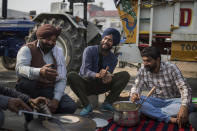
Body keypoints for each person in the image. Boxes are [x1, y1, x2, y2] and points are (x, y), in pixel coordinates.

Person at [15, 24, 77, 124]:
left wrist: (56, 100)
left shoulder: (58, 51)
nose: (51, 43)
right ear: (40, 38)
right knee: (25, 84)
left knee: (70, 106)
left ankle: (46, 120)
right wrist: (40, 72)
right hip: (31, 87)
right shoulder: (27, 49)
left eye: (54, 40)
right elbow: (19, 69)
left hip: (48, 88)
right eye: (48, 39)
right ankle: (29, 120)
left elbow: (61, 78)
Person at [68, 28, 130, 116]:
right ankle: (87, 106)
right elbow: (85, 71)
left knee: (125, 75)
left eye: (110, 40)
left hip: (100, 85)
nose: (106, 41)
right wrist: (97, 74)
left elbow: (109, 74)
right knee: (71, 75)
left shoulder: (113, 59)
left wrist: (107, 77)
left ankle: (107, 103)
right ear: (102, 39)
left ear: (113, 43)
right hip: (85, 83)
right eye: (105, 38)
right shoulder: (89, 50)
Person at [130, 46, 192, 128]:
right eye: (144, 61)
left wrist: (184, 106)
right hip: (155, 102)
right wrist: (135, 94)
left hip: (173, 102)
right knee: (132, 100)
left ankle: (152, 113)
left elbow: (184, 88)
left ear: (158, 59)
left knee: (188, 105)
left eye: (148, 61)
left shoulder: (171, 68)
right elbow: (136, 86)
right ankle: (170, 119)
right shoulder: (143, 70)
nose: (145, 64)